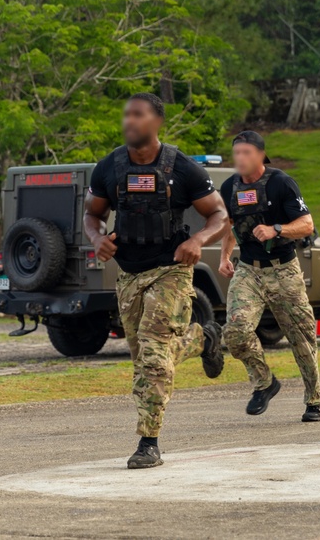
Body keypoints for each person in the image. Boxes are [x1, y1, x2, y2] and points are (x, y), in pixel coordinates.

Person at [84, 93, 228, 469]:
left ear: (157, 121)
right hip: (129, 273)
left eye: (138, 114)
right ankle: (204, 338)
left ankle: (148, 442)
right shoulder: (109, 167)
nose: (129, 121)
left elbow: (219, 215)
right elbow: (93, 215)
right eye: (126, 114)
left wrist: (197, 240)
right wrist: (98, 239)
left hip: (171, 269)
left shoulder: (182, 168)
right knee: (144, 356)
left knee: (153, 358)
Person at [218, 131, 320, 422]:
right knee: (235, 332)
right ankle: (265, 383)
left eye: (246, 153)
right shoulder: (229, 187)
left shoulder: (281, 183)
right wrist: (225, 257)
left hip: (284, 269)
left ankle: (314, 399)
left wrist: (276, 229)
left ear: (260, 154)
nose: (240, 158)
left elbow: (306, 224)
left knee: (301, 337)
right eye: (236, 153)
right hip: (248, 270)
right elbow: (230, 225)